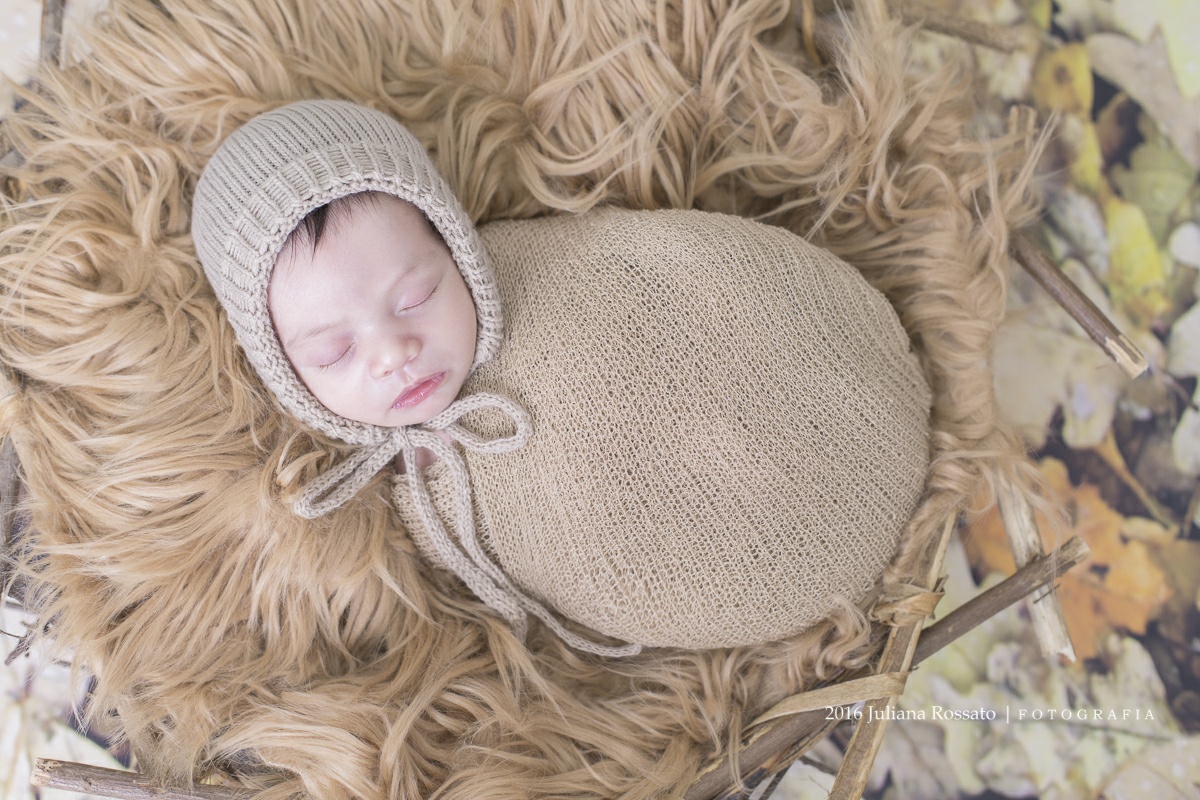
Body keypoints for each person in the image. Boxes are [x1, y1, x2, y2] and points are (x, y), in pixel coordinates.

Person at [192, 99, 933, 657]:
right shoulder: (422, 494)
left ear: (456, 245)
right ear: (283, 371)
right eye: (331, 355)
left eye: (416, 296)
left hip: (817, 386)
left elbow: (676, 279)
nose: (395, 352)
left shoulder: (548, 269)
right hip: (764, 568)